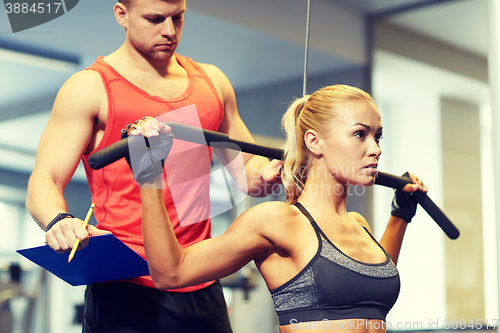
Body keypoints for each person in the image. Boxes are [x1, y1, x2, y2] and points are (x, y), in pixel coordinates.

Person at [25, 0, 281, 332]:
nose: (169, 31)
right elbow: (44, 180)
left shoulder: (212, 82)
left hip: (201, 278)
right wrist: (57, 219)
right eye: (155, 19)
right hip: (126, 284)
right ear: (122, 15)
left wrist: (268, 173)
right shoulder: (90, 88)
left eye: (178, 18)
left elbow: (247, 172)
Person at [130, 84, 428, 333]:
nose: (375, 148)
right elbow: (171, 273)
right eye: (360, 134)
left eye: (378, 136)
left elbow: (371, 289)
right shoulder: (278, 221)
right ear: (314, 142)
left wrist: (401, 214)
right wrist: (150, 175)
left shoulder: (358, 224)